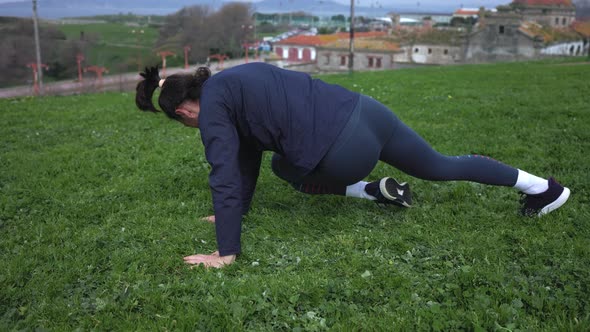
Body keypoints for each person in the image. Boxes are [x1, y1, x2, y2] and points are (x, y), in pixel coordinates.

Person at [135, 63, 570, 268]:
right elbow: (245, 153)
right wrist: (238, 210)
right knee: (440, 163)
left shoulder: (210, 109)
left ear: (184, 110)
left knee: (285, 170)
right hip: (368, 113)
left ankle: (366, 188)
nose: (191, 125)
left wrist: (225, 251)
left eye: (183, 121)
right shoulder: (231, 82)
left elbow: (225, 171)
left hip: (344, 152)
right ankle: (542, 188)